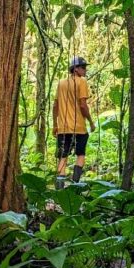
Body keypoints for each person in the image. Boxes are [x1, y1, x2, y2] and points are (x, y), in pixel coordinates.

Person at [53, 56, 96, 187]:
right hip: (79, 127)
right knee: (81, 155)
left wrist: (55, 125)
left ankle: (59, 190)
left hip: (63, 128)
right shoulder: (82, 82)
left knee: (63, 157)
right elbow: (83, 105)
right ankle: (74, 185)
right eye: (83, 67)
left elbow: (55, 106)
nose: (85, 70)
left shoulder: (61, 83)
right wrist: (90, 121)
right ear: (75, 69)